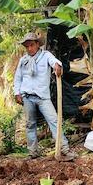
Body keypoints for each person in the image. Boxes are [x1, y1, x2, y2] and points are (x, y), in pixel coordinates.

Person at [14, 32, 74, 160]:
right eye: (27, 46)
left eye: (31, 45)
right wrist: (17, 93)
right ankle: (33, 152)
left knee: (54, 121)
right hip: (27, 96)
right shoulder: (23, 60)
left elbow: (54, 62)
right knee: (30, 124)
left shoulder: (46, 56)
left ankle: (64, 149)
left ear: (37, 44)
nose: (29, 48)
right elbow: (18, 78)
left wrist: (57, 67)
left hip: (42, 97)